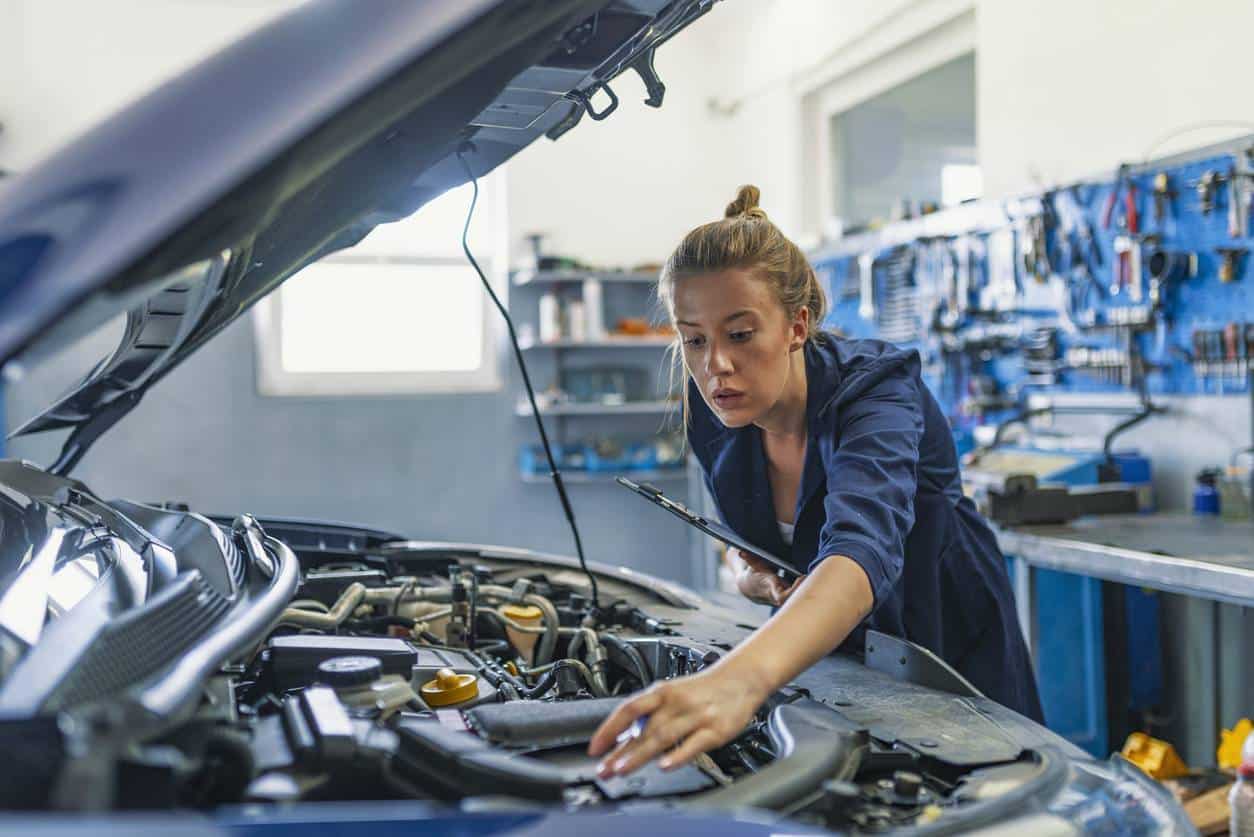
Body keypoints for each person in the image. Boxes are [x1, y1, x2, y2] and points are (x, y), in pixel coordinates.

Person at [587, 185, 1042, 779]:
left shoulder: (876, 391)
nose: (714, 365)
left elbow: (861, 549)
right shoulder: (718, 411)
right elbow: (739, 533)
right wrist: (743, 571)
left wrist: (736, 681)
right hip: (825, 655)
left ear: (797, 325)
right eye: (693, 339)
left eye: (741, 334)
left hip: (944, 647)